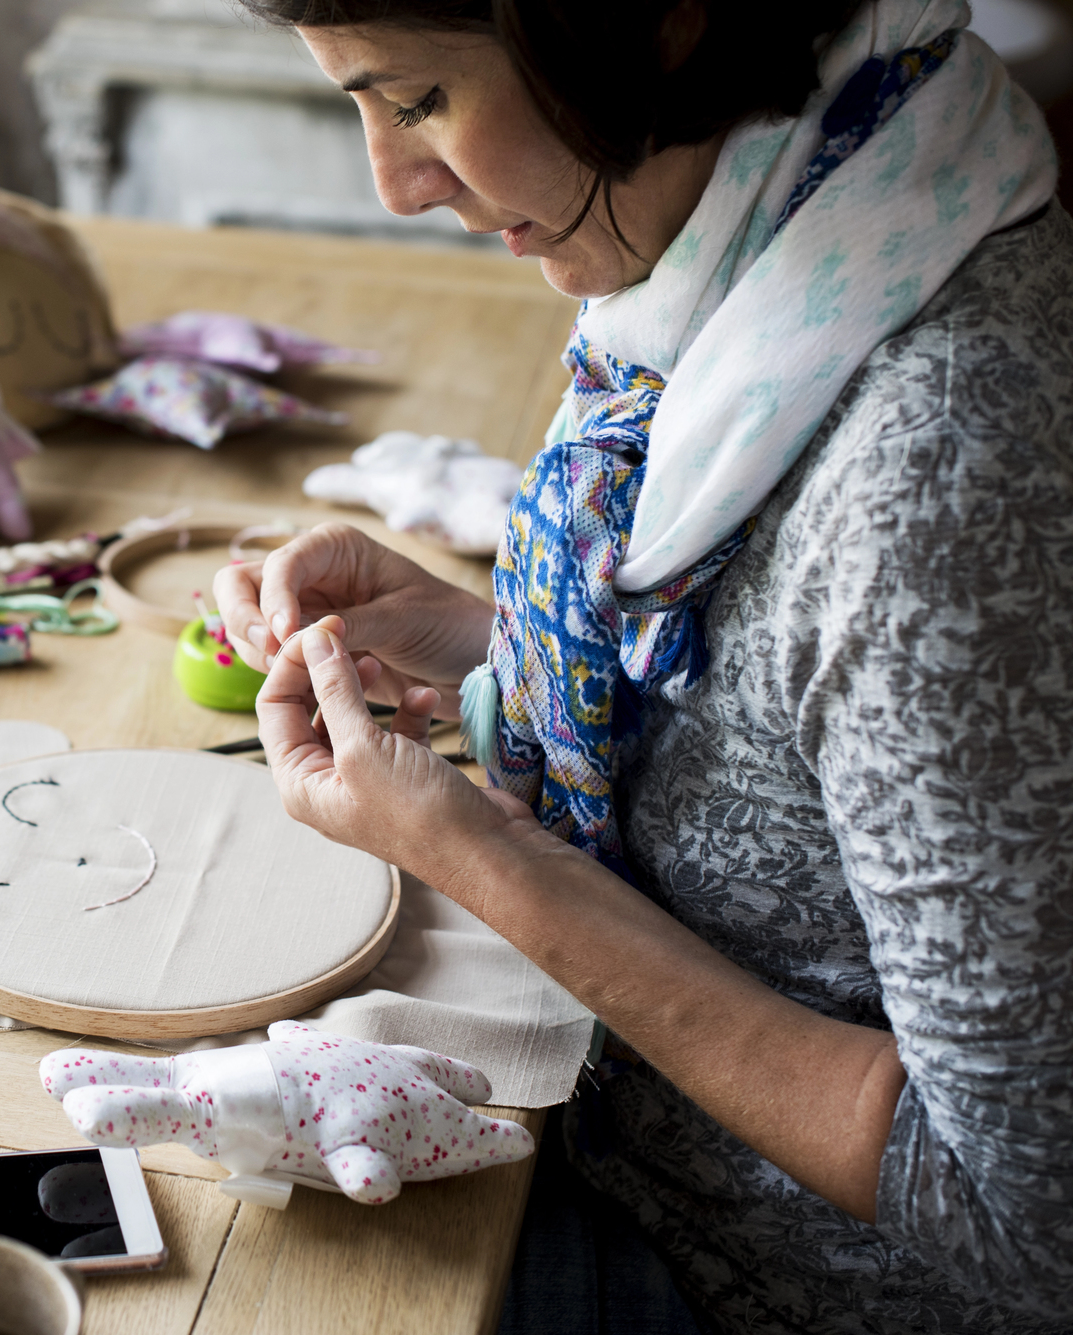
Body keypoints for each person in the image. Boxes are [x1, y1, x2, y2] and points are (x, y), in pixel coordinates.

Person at [214, 2, 1073, 1332]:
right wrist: (496, 638)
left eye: (420, 99)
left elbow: (1025, 1217)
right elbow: (827, 720)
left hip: (755, 1283)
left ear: (654, 22)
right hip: (615, 1141)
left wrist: (492, 864)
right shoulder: (820, 202)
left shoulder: (939, 476)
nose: (393, 184)